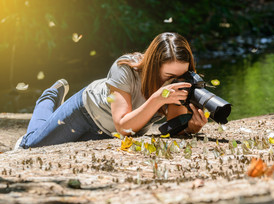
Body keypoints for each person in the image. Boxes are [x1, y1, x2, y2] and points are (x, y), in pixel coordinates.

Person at [15, 32, 208, 149]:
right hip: (85, 111)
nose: (174, 82)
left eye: (180, 75)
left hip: (107, 131)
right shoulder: (125, 68)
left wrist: (190, 127)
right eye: (168, 76)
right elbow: (123, 126)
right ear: (152, 66)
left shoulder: (179, 81)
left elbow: (174, 126)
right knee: (30, 147)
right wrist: (158, 99)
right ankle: (50, 96)